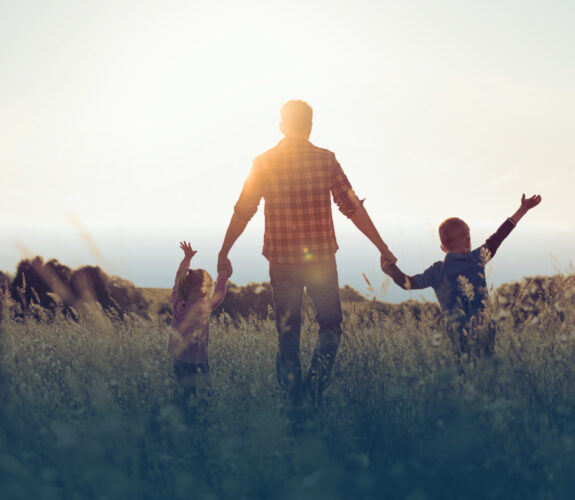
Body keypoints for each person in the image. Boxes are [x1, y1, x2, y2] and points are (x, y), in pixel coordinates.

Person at [217, 100, 396, 405]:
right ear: (310, 126)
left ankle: (293, 405)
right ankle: (312, 390)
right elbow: (352, 207)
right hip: (321, 262)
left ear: (282, 126)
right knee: (330, 325)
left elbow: (243, 211)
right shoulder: (326, 160)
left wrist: (224, 252)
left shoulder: (263, 162)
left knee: (288, 335)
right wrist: (382, 247)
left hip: (282, 262)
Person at [383, 193, 542, 365]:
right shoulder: (476, 259)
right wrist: (523, 209)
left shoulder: (437, 271)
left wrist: (390, 269)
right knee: (485, 367)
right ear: (468, 241)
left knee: (464, 368)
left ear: (443, 247)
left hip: (457, 332)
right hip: (484, 329)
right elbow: (499, 236)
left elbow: (408, 283)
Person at [169, 241, 231, 403]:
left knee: (184, 395)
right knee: (205, 396)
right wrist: (223, 275)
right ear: (203, 289)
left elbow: (179, 277)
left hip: (178, 358)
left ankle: (185, 417)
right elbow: (219, 293)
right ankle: (200, 421)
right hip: (197, 359)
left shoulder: (176, 300)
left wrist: (186, 259)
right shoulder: (200, 307)